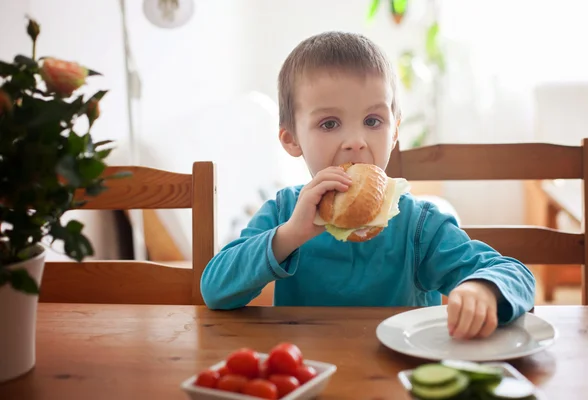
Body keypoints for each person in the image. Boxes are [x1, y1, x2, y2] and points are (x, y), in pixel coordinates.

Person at [201, 31, 535, 340]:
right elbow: (214, 289)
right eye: (329, 123)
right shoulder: (284, 212)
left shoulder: (419, 225)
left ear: (394, 132)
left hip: (397, 375)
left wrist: (483, 289)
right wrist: (290, 235)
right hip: (309, 373)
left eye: (373, 121)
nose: (356, 142)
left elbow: (516, 275)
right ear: (291, 140)